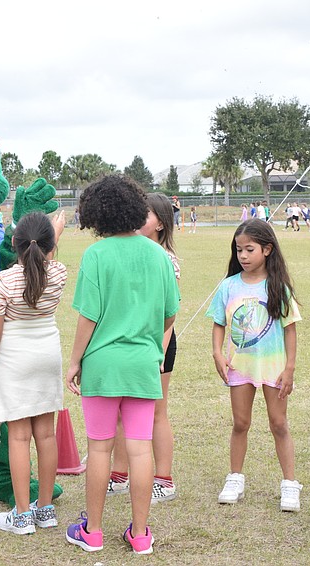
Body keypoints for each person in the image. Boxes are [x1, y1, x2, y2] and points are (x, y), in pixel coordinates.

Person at [65, 175, 179, 555]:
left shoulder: (96, 255)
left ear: (97, 214)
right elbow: (169, 313)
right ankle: (141, 535)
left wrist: (75, 361)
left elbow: (88, 317)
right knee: (140, 450)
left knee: (99, 449)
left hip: (103, 365)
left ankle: (92, 532)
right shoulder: (159, 256)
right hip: (144, 364)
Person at [0, 211, 67, 535]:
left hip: (15, 360)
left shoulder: (2, 282)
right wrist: (55, 230)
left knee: (18, 437)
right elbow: (46, 255)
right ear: (50, 246)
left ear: (14, 242)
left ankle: (23, 515)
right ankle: (45, 509)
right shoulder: (59, 273)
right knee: (46, 435)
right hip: (47, 357)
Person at [208, 218, 302, 512]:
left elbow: (290, 329)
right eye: (239, 250)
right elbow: (219, 323)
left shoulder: (278, 287)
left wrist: (289, 368)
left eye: (250, 249)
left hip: (274, 367)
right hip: (240, 367)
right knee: (240, 423)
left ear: (267, 250)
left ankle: (290, 483)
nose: (243, 256)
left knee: (279, 423)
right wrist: (217, 352)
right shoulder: (228, 286)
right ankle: (235, 478)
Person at [108, 192, 180, 504]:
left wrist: (159, 353)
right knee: (121, 412)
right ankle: (119, 476)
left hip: (156, 344)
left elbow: (168, 314)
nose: (139, 218)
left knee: (156, 413)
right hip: (129, 342)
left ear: (161, 224)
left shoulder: (167, 259)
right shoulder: (130, 251)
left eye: (146, 214)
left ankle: (164, 480)